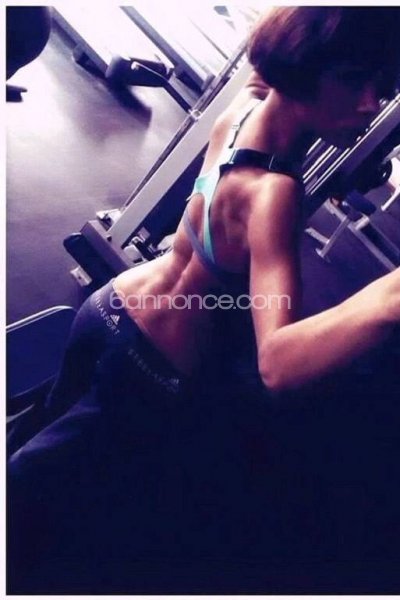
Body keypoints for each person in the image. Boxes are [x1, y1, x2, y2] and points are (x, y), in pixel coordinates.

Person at [7, 7, 400, 591]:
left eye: (383, 85)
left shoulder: (240, 113)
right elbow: (278, 363)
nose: (372, 104)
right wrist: (389, 295)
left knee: (43, 427)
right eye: (354, 80)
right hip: (145, 369)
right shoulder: (274, 196)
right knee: (33, 492)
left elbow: (273, 54)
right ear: (305, 67)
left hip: (108, 309)